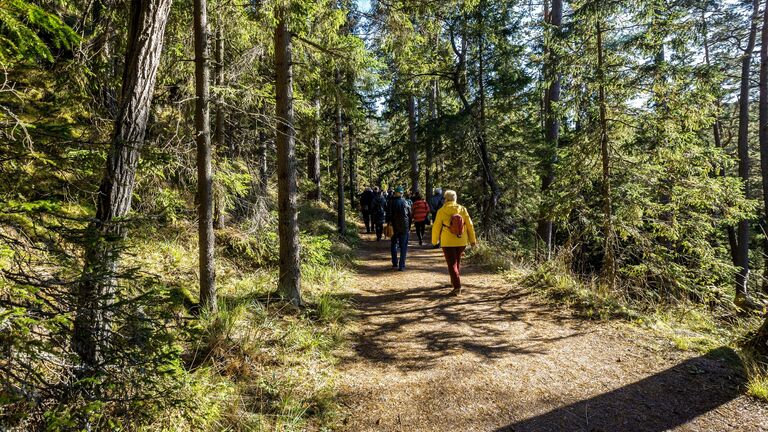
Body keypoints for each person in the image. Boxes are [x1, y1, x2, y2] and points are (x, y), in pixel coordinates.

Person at [432, 190, 476, 295]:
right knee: (456, 262)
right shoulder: (462, 209)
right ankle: (454, 281)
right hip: (461, 240)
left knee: (452, 264)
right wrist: (472, 241)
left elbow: (436, 227)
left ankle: (457, 287)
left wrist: (435, 241)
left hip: (447, 241)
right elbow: (470, 225)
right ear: (455, 198)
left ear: (445, 199)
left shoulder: (441, 211)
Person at [386, 186, 412, 271]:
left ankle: (394, 263)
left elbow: (388, 215)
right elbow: (409, 215)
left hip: (394, 226)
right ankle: (402, 265)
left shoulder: (390, 202)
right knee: (403, 246)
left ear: (395, 193)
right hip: (404, 227)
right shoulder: (406, 202)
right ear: (402, 193)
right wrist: (409, 227)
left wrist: (388, 223)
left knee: (394, 244)